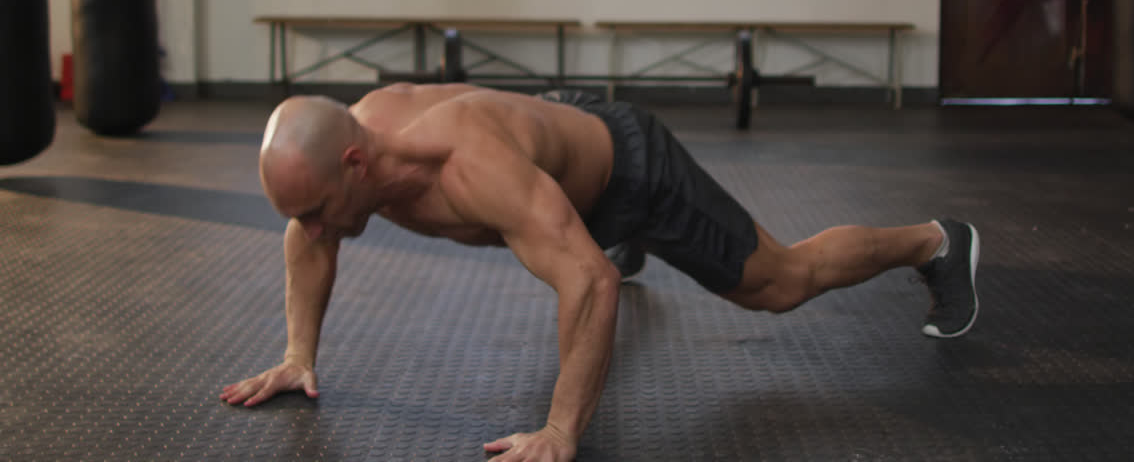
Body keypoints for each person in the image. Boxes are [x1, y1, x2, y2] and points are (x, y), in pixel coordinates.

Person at [219, 83, 979, 462]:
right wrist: (297, 356)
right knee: (556, 232)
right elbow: (310, 240)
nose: (311, 228)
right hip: (560, 157)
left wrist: (559, 430)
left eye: (317, 208)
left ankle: (935, 243)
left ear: (355, 165)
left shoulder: (465, 167)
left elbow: (590, 285)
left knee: (778, 283)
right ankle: (585, 223)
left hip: (634, 175)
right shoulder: (343, 159)